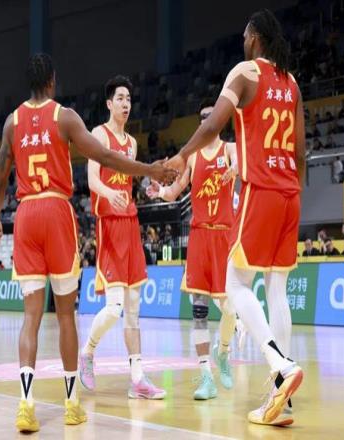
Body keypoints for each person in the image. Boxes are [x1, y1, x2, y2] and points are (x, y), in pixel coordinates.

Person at [0, 53, 176, 433]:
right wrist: (150, 170)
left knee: (30, 318)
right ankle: (71, 403)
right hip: (56, 213)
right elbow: (105, 156)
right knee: (65, 315)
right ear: (52, 81)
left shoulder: (12, 121)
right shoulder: (65, 117)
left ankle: (26, 405)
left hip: (25, 214)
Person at [166, 9, 305, 426]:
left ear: (255, 37)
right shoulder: (292, 83)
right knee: (277, 289)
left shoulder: (245, 73)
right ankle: (281, 397)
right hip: (291, 194)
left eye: (246, 35)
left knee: (236, 284)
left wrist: (182, 154)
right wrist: (293, 189)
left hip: (261, 191)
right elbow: (300, 152)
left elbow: (213, 126)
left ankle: (281, 365)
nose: (243, 41)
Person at [79, 75, 166, 400]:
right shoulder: (98, 135)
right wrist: (108, 192)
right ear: (109, 103)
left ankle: (138, 379)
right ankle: (87, 352)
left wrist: (150, 186)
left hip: (130, 222)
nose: (126, 103)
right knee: (114, 307)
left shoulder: (131, 143)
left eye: (129, 98)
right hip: (109, 224)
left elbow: (131, 179)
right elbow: (92, 180)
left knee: (133, 308)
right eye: (120, 98)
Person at [147, 98, 238, 400]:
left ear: (220, 120)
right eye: (201, 117)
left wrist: (235, 169)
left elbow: (243, 162)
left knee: (230, 309)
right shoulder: (194, 158)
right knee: (199, 310)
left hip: (224, 237)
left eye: (211, 116)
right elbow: (174, 192)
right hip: (199, 237)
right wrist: (159, 191)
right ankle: (206, 377)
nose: (205, 120)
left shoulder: (229, 149)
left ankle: (223, 352)